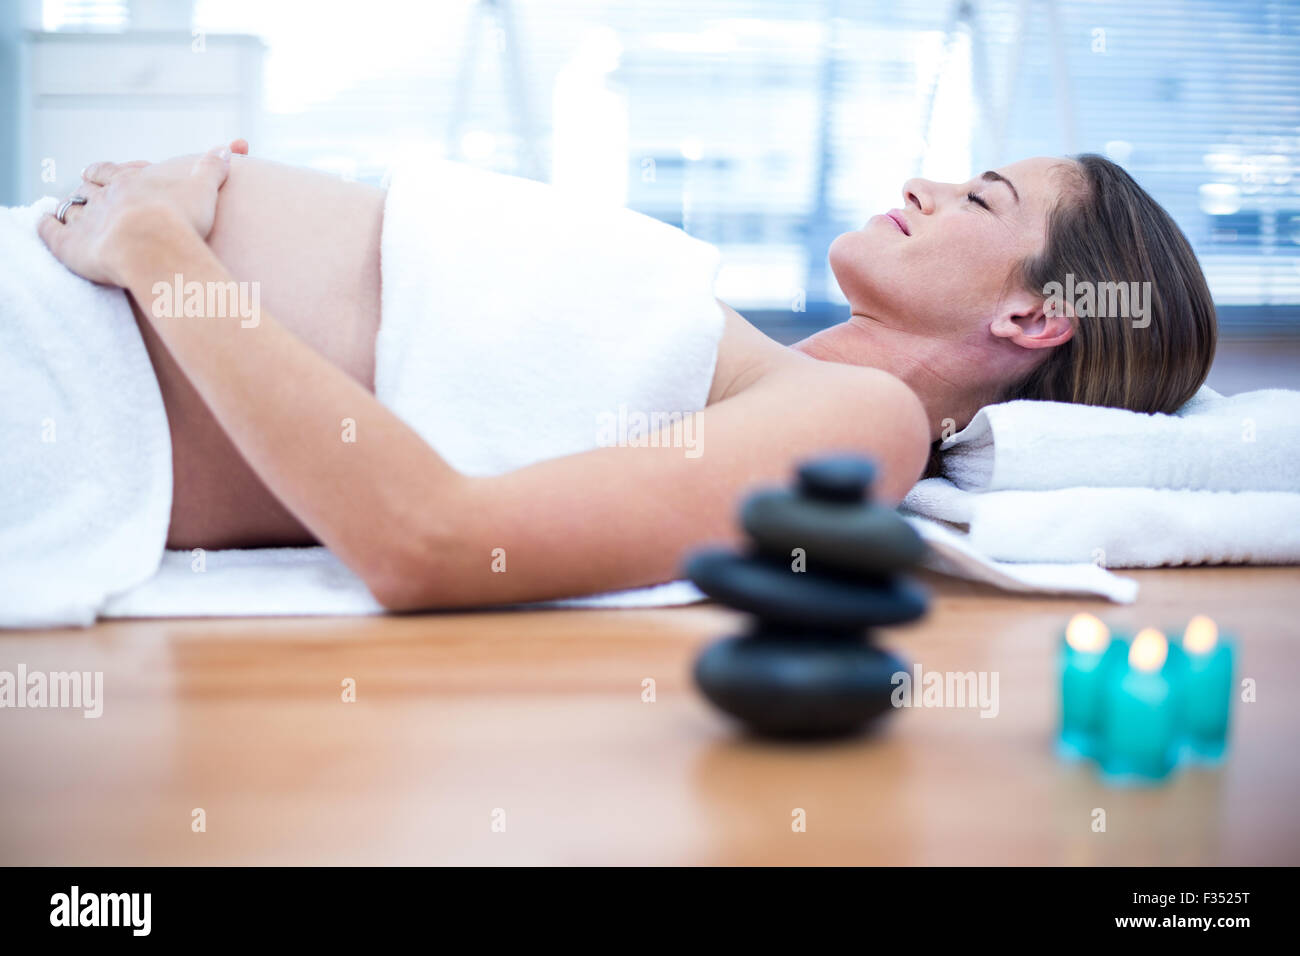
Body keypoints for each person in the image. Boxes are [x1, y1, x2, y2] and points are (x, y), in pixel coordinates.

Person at [36, 142, 1215, 610]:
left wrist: (160, 251)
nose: (926, 185)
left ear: (1034, 313)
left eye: (981, 199)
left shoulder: (869, 420)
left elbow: (430, 540)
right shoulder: (744, 357)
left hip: (64, 354)